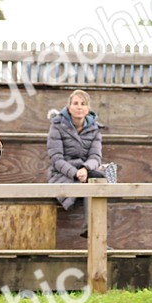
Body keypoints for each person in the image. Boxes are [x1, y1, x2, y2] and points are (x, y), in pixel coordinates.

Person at [47, 89, 105, 234]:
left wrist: (85, 169)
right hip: (62, 174)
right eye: (76, 103)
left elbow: (95, 157)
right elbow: (56, 159)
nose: (79, 107)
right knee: (91, 183)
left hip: (86, 172)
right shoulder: (57, 125)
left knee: (100, 180)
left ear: (88, 109)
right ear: (69, 107)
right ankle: (92, 231)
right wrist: (75, 173)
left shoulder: (95, 129)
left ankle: (93, 231)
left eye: (83, 104)